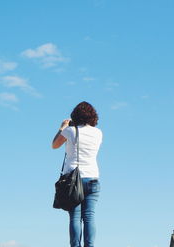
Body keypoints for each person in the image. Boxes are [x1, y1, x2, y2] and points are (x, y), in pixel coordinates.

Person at [52, 101, 103, 247]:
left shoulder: (70, 131)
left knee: (75, 217)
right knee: (89, 217)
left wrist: (62, 127)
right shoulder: (98, 133)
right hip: (93, 177)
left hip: (74, 179)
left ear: (75, 115)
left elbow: (54, 145)